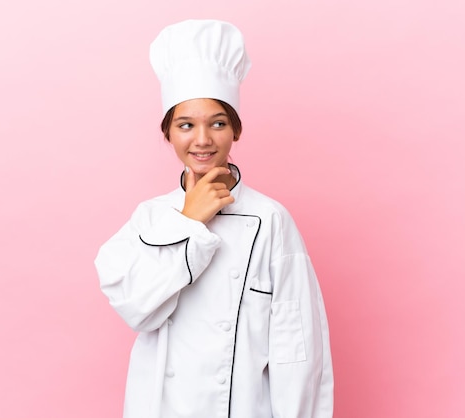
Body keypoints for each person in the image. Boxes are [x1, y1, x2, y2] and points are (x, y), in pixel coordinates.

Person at [95, 19, 334, 418]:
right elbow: (136, 307)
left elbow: (297, 347)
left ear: (235, 131)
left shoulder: (270, 220)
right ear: (168, 134)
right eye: (185, 125)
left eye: (217, 123)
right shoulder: (151, 217)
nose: (202, 140)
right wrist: (189, 220)